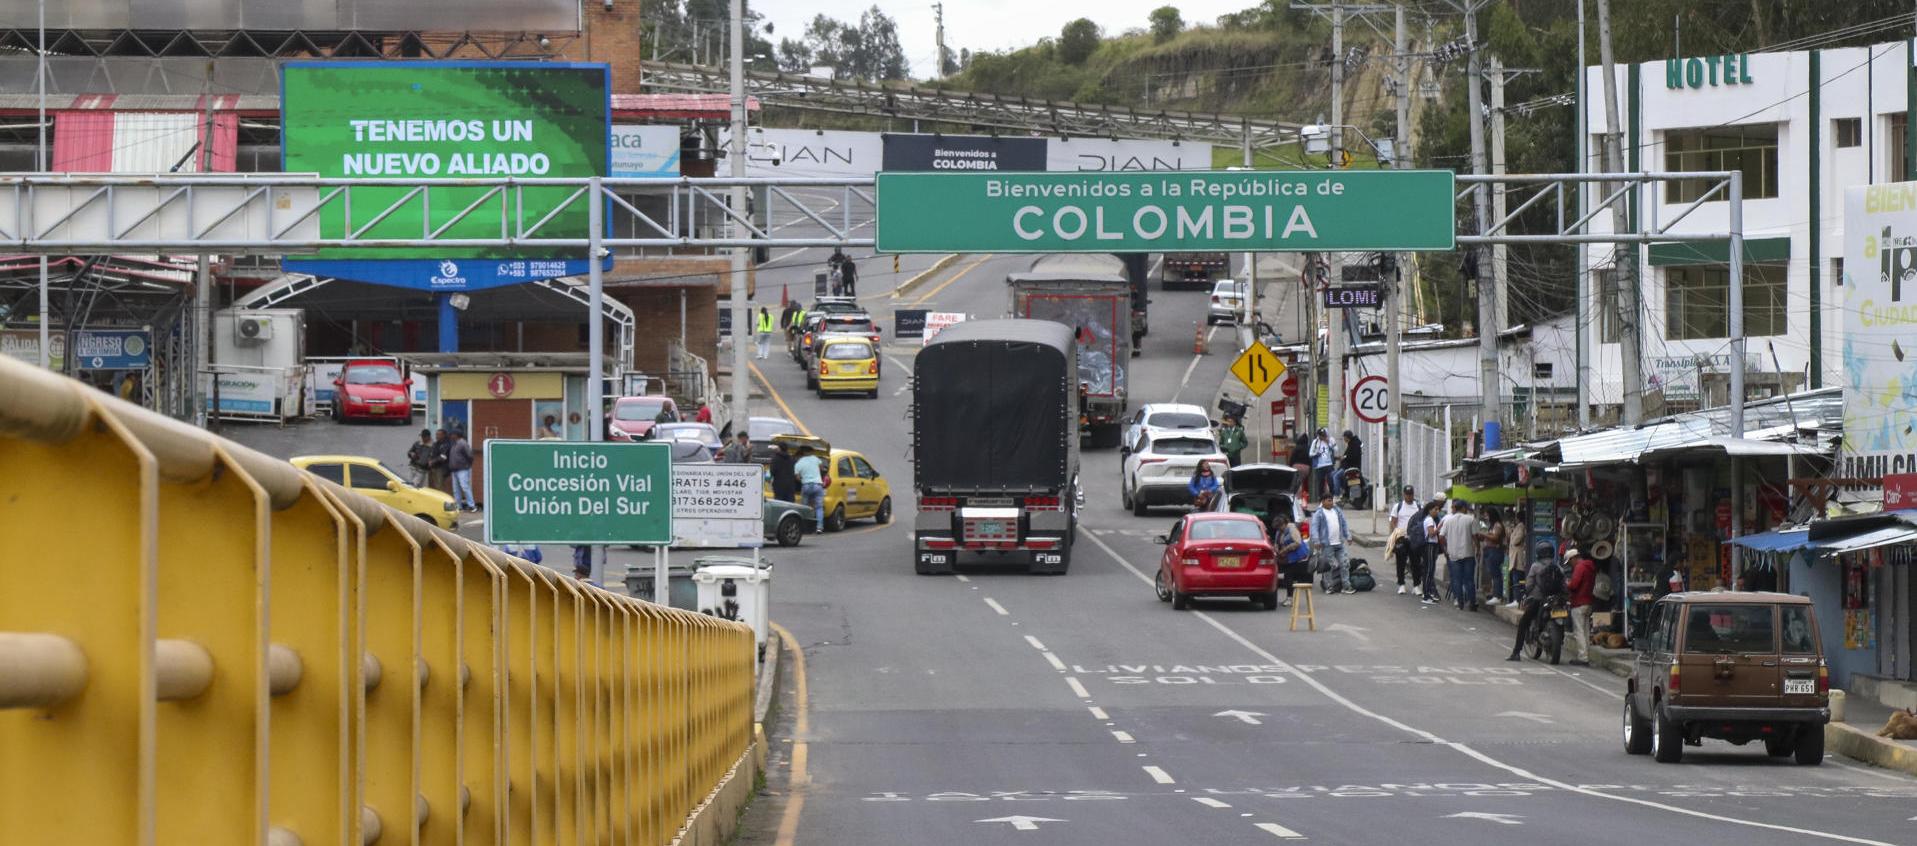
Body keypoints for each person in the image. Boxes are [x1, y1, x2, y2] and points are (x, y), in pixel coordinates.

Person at [1508, 548, 1571, 661]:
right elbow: (1564, 585)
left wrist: (1527, 592)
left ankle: (1516, 652)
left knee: (1523, 623)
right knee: (1562, 621)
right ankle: (1559, 640)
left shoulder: (1535, 566)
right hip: (1556, 600)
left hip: (1538, 600)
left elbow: (1529, 584)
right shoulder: (1558, 567)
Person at [1439, 499, 1479, 611]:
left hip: (1453, 555)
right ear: (1464, 508)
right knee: (1469, 579)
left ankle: (1460, 603)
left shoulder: (1448, 521)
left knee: (1456, 579)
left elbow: (1441, 537)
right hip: (1468, 553)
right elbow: (1475, 536)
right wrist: (1478, 548)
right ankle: (1472, 603)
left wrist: (1446, 549)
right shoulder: (1470, 519)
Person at [1310, 493, 1353, 594]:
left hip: (1339, 543)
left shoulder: (1337, 510)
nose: (1331, 502)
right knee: (1329, 567)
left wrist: (1348, 536)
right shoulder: (1319, 513)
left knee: (1344, 564)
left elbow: (1344, 524)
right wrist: (1316, 541)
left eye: (1331, 500)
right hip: (1327, 545)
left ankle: (1346, 586)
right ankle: (1329, 586)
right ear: (1323, 501)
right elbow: (1314, 528)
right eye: (1329, 500)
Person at [1566, 546, 1599, 665]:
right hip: (1588, 602)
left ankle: (1583, 657)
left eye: (1570, 562)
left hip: (1579, 603)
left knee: (1579, 631)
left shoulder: (1580, 567)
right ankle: (1586, 655)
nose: (1570, 565)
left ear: (1573, 558)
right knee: (1585, 631)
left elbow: (1574, 585)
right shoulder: (1590, 567)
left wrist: (1567, 584)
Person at [1270, 510, 1310, 607]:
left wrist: (1285, 550)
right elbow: (1276, 542)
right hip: (1288, 558)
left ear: (1284, 523)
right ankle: (1289, 598)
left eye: (1280, 527)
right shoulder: (1279, 531)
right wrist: (1276, 548)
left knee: (1289, 576)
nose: (1279, 529)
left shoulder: (1292, 529)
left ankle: (1290, 598)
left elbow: (1297, 542)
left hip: (1297, 557)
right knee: (1287, 576)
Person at [1389, 486, 1423, 594]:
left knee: (1416, 562)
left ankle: (1416, 585)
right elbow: (1393, 521)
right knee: (1401, 562)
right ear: (1404, 494)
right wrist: (1395, 534)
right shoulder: (1398, 506)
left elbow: (1422, 521)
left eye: (1411, 494)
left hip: (1414, 538)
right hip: (1401, 538)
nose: (1409, 496)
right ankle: (1401, 584)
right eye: (1407, 494)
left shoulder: (1418, 506)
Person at [1478, 507, 1508, 606]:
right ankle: (1495, 594)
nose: (1486, 517)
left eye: (1487, 515)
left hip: (1495, 551)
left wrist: (1484, 534)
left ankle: (1497, 596)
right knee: (1493, 573)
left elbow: (1495, 537)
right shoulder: (1491, 525)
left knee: (1496, 574)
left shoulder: (1497, 525)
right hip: (1489, 550)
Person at [794, 448, 827, 534]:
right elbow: (822, 468)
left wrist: (803, 480)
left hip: (806, 486)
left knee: (805, 507)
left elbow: (797, 477)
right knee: (819, 508)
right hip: (817, 485)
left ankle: (805, 527)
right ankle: (819, 527)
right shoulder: (815, 458)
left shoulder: (799, 463)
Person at [1419, 500, 1445, 605]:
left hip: (1431, 546)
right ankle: (1426, 595)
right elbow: (1431, 534)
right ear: (1430, 510)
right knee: (1429, 570)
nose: (1437, 511)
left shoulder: (1430, 519)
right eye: (1435, 509)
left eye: (1438, 509)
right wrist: (1439, 527)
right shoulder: (1429, 520)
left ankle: (1428, 593)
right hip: (1430, 545)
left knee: (1429, 570)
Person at [447, 430, 478, 512]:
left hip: (463, 469)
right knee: (456, 489)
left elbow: (470, 456)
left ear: (456, 435)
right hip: (455, 470)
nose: (451, 436)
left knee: (465, 487)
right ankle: (458, 506)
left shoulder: (463, 443)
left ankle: (472, 506)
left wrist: (467, 465)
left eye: (452, 434)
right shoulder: (454, 444)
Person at [1334, 430, 1363, 496]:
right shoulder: (1353, 443)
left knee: (1336, 477)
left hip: (1349, 467)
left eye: (1344, 437)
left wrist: (1344, 458)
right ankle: (1344, 491)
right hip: (1351, 466)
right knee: (1334, 474)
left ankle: (1336, 495)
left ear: (1347, 437)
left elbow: (1352, 456)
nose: (1344, 439)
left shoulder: (1353, 444)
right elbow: (1348, 455)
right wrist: (1344, 457)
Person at [1309, 428, 1335, 500]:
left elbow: (1335, 449)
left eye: (1323, 435)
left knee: (1331, 481)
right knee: (1321, 482)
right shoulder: (1315, 442)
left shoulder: (1329, 440)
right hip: (1319, 465)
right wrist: (1316, 454)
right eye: (1321, 435)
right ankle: (1321, 497)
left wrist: (1328, 443)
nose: (1322, 437)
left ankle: (1332, 496)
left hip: (1329, 464)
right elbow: (1310, 453)